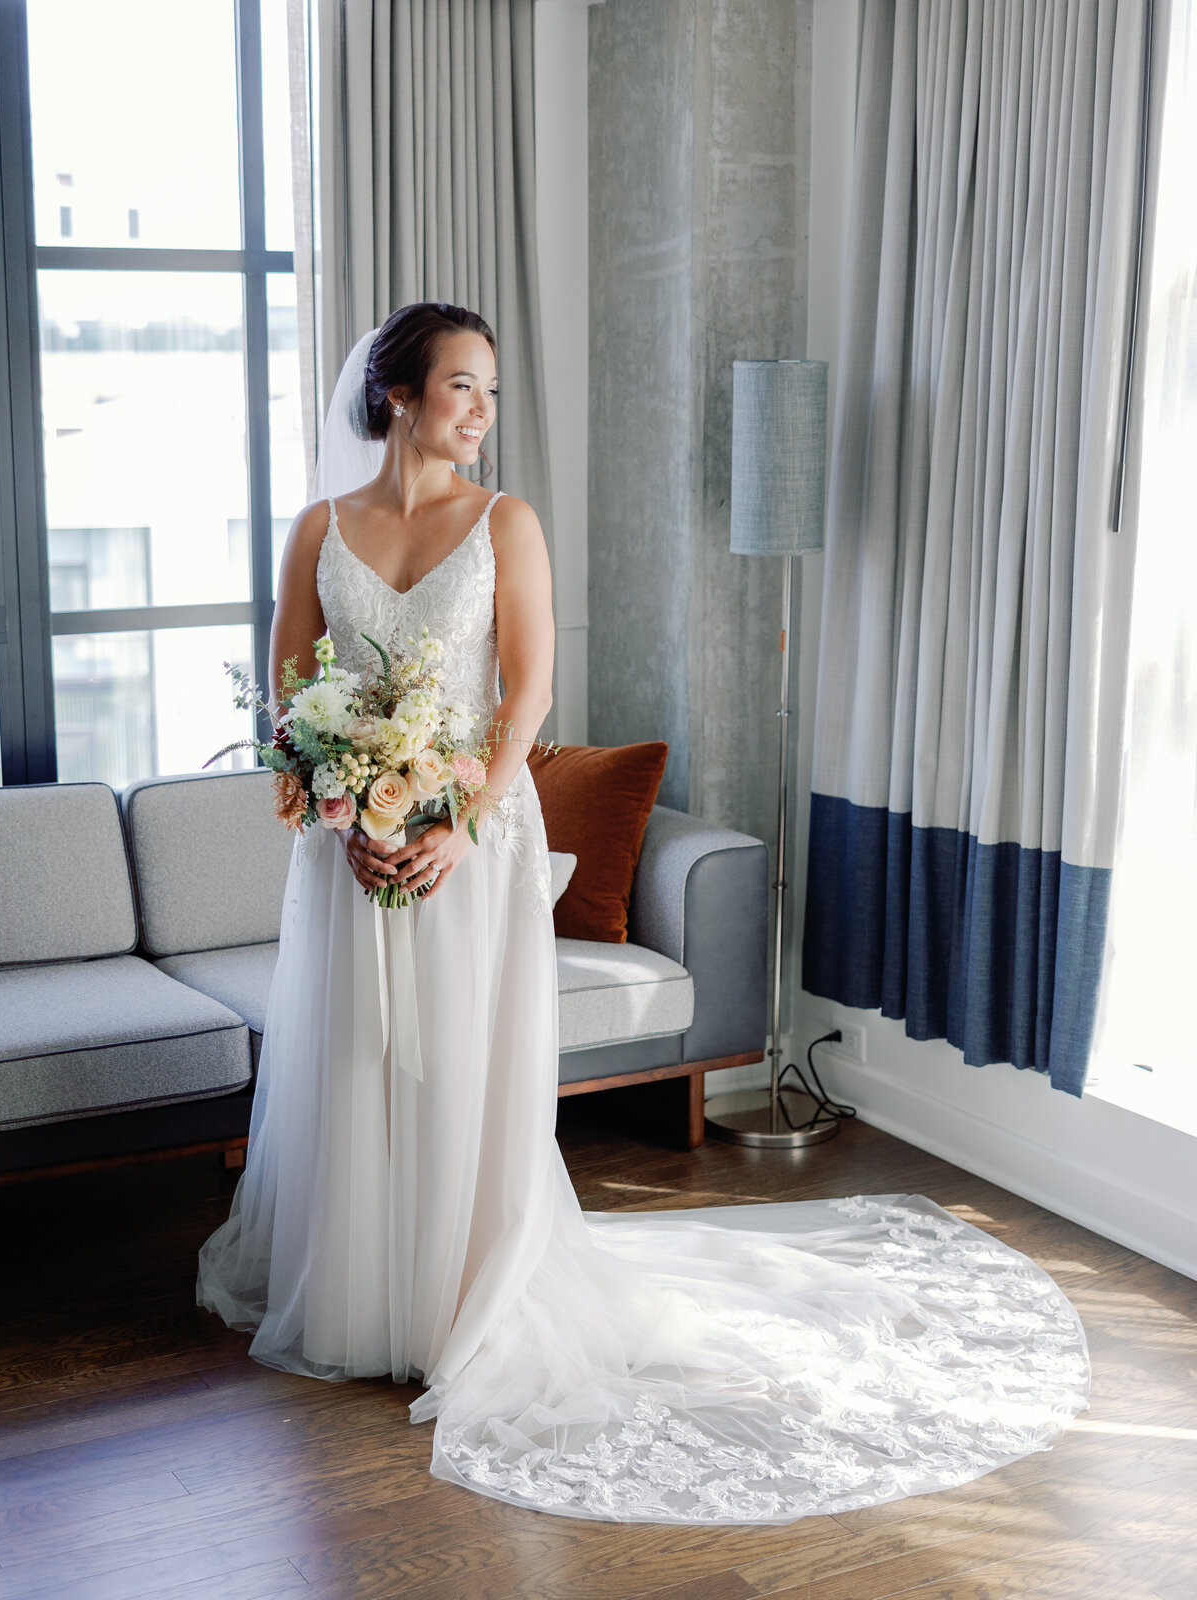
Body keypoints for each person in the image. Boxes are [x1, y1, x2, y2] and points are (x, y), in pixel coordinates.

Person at [198, 302, 1091, 1525]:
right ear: (396, 393)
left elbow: (529, 695)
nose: (482, 411)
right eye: (462, 385)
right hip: (355, 850)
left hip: (473, 837)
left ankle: (465, 1297)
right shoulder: (320, 528)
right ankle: (364, 1296)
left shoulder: (506, 523)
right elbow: (297, 699)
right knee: (364, 1063)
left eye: (493, 393)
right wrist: (343, 810)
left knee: (460, 1069)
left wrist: (452, 820)